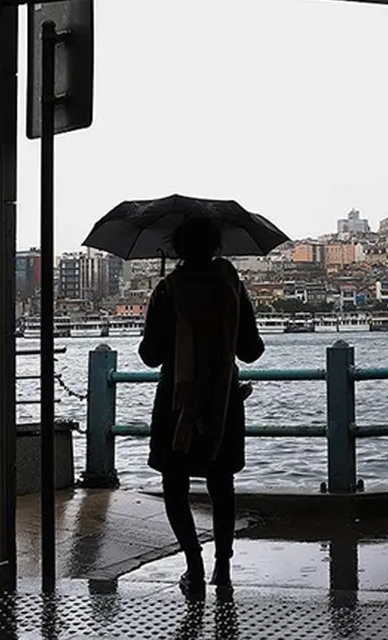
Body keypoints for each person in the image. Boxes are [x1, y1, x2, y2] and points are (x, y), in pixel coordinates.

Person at [138, 217, 265, 595]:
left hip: (177, 402)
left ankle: (193, 566)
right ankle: (222, 567)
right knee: (221, 483)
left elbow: (149, 355)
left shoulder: (167, 290)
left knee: (174, 485)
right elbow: (252, 350)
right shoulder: (231, 288)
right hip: (223, 399)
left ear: (176, 250)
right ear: (217, 248)